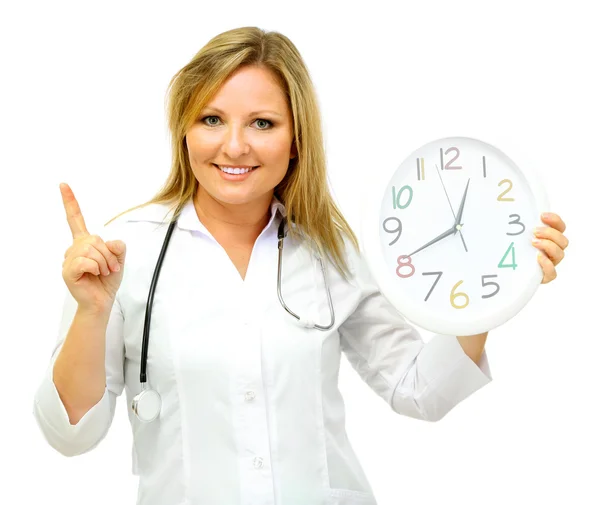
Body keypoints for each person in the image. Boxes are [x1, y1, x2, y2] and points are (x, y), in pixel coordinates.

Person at [33, 26, 569, 505]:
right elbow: (71, 433)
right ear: (185, 131)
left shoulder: (329, 249)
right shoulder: (124, 255)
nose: (234, 145)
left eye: (262, 122)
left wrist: (491, 293)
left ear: (295, 141)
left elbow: (417, 392)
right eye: (212, 119)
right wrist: (91, 312)